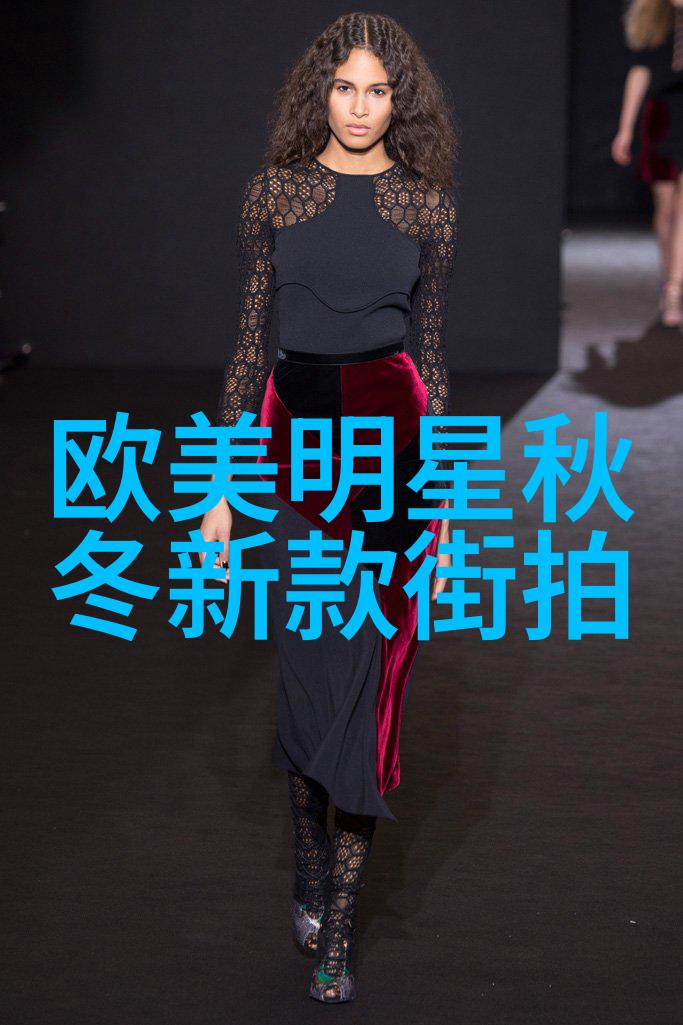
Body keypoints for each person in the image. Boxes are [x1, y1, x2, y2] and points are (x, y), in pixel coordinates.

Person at [199, 12, 458, 1003]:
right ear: (321, 92)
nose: (358, 106)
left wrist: (446, 509)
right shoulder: (276, 191)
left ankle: (337, 934)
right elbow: (247, 343)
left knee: (366, 693)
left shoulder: (424, 205)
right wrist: (220, 493)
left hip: (395, 458)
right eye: (344, 87)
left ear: (400, 100)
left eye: (377, 90)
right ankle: (308, 858)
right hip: (299, 452)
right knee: (311, 680)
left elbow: (430, 356)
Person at [612, 0, 683, 325]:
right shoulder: (654, 16)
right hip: (662, 119)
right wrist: (625, 130)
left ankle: (675, 290)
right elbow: (640, 71)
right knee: (665, 210)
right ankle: (668, 277)